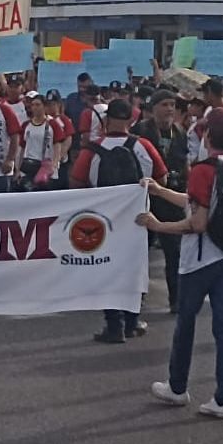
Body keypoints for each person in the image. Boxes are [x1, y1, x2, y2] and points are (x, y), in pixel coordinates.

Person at [139, 113, 223, 419]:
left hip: (200, 260)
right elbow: (198, 202)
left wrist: (158, 225)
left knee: (186, 324)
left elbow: (196, 221)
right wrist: (160, 191)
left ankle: (177, 386)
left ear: (207, 136)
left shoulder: (202, 171)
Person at [72, 98, 168, 343]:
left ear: (105, 121)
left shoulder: (91, 150)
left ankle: (114, 324)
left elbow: (76, 182)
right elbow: (162, 180)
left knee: (107, 271)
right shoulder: (144, 146)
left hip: (104, 223)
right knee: (135, 271)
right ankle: (133, 322)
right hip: (140, 220)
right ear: (130, 120)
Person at [134, 89, 192, 312]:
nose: (169, 109)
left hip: (171, 198)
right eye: (164, 104)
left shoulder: (180, 132)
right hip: (146, 199)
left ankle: (177, 299)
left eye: (172, 105)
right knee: (140, 251)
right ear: (153, 108)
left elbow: (185, 161)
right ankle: (136, 299)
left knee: (175, 252)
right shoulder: (141, 131)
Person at [15, 91, 64, 191]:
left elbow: (57, 146)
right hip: (28, 166)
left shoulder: (53, 124)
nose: (35, 107)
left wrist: (54, 165)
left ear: (44, 106)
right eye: (33, 105)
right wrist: (18, 169)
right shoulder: (26, 125)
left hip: (45, 168)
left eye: (38, 105)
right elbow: (22, 148)